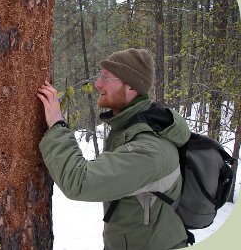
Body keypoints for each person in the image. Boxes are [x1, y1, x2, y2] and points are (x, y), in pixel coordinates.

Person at [37, 48, 190, 250]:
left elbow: (79, 182)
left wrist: (57, 124)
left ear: (131, 88)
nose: (98, 84)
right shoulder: (132, 127)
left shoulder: (149, 150)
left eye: (107, 78)